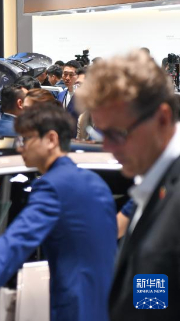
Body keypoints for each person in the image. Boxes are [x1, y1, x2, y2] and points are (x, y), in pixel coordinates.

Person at [0, 105, 117, 321]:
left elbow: (17, 240)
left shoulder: (52, 186)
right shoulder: (94, 182)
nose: (20, 148)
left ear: (51, 139)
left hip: (75, 308)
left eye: (25, 139)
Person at [75, 50, 180, 321]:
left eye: (118, 134)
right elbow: (153, 296)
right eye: (101, 134)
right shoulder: (153, 187)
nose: (108, 148)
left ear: (162, 119)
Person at [56, 60, 81, 129]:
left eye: (71, 75)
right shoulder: (61, 94)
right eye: (65, 74)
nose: (67, 78)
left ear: (78, 76)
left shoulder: (82, 96)